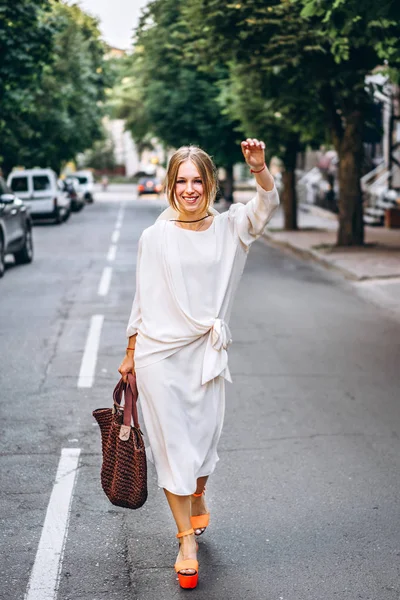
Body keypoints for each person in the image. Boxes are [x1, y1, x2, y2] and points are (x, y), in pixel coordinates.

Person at [118, 138, 279, 589]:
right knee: (172, 448)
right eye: (181, 181)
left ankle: (199, 491)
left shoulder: (231, 228)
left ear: (209, 184)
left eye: (197, 181)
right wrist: (130, 354)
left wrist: (260, 168)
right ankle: (185, 538)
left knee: (204, 441)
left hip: (206, 354)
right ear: (170, 186)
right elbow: (141, 298)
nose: (189, 189)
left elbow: (268, 203)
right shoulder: (154, 237)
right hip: (159, 356)